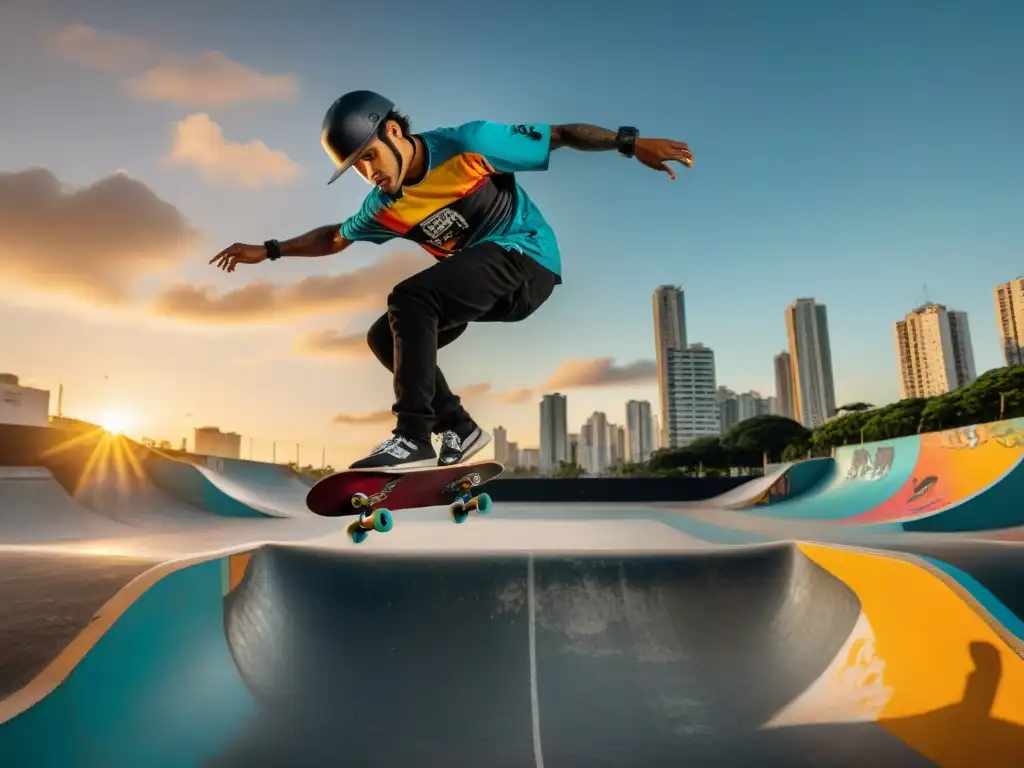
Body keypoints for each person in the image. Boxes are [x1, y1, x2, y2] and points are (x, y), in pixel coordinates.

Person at [210, 90, 693, 470]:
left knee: (411, 299)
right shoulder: (385, 205)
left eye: (370, 156)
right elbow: (335, 237)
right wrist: (270, 250)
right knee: (385, 338)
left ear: (394, 131)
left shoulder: (470, 144)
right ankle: (457, 428)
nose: (368, 172)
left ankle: (412, 437)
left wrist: (628, 143)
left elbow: (562, 133)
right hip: (486, 286)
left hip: (528, 261)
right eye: (355, 166)